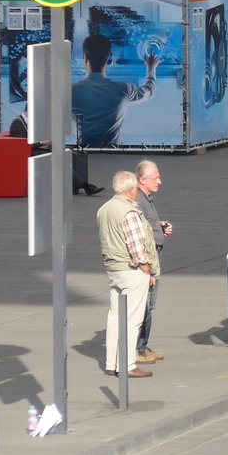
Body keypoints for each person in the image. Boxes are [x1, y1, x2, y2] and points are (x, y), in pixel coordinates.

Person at [97, 170, 157, 379]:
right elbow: (137, 246)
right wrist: (146, 268)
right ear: (131, 189)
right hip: (131, 270)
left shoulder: (104, 209)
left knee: (115, 317)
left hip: (113, 268)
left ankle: (111, 362)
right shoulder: (128, 212)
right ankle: (127, 364)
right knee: (133, 320)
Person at [71, 34, 158, 147]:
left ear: (85, 57)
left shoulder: (71, 92)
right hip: (114, 156)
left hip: (83, 156)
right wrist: (151, 68)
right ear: (108, 59)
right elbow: (150, 90)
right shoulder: (123, 90)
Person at [9, 107, 103, 195]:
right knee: (55, 159)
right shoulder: (17, 124)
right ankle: (85, 186)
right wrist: (41, 142)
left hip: (37, 149)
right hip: (28, 153)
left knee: (67, 152)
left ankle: (80, 185)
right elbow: (22, 145)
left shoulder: (29, 122)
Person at [134, 159, 172, 364]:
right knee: (145, 305)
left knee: (148, 305)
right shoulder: (138, 200)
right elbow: (138, 233)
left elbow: (146, 224)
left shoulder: (145, 199)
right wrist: (146, 268)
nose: (160, 181)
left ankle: (142, 346)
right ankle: (138, 349)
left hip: (153, 254)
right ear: (142, 180)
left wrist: (160, 225)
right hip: (148, 258)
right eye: (155, 178)